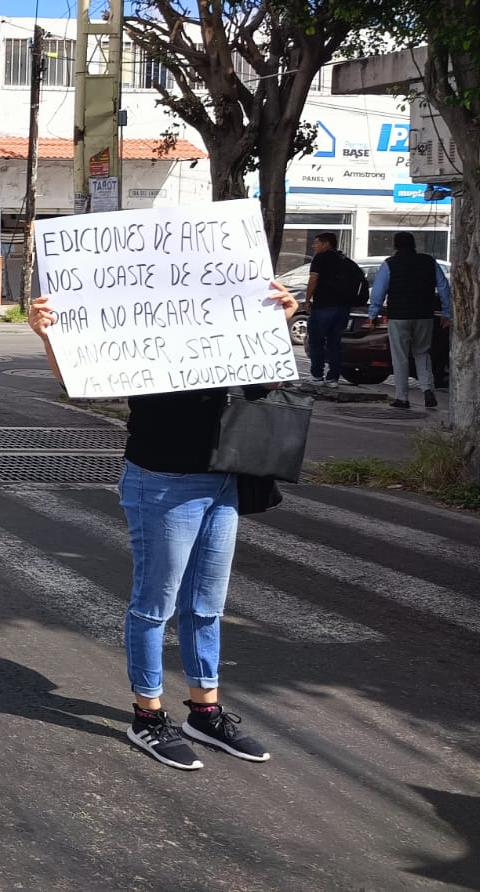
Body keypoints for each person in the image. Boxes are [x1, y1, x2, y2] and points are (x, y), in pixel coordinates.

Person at [28, 279, 299, 771]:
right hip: (163, 478)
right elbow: (82, 381)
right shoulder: (142, 325)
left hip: (225, 476)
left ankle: (205, 711)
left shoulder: (226, 323)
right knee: (156, 604)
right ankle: (147, 716)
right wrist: (49, 335)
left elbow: (267, 386)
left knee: (206, 605)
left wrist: (274, 322)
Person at [367, 231, 452, 410]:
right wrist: (447, 312)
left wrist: (373, 313)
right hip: (424, 316)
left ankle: (402, 398)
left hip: (399, 316)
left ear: (395, 245)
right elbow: (444, 286)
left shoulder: (390, 264)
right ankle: (428, 390)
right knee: (422, 353)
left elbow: (378, 291)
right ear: (414, 245)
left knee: (400, 357)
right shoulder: (429, 261)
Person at [304, 232, 364, 388]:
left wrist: (307, 300)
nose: (313, 246)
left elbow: (314, 279)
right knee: (334, 343)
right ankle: (333, 378)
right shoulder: (344, 260)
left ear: (326, 243)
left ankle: (317, 375)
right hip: (343, 308)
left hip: (323, 306)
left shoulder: (320, 258)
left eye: (316, 243)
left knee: (316, 340)